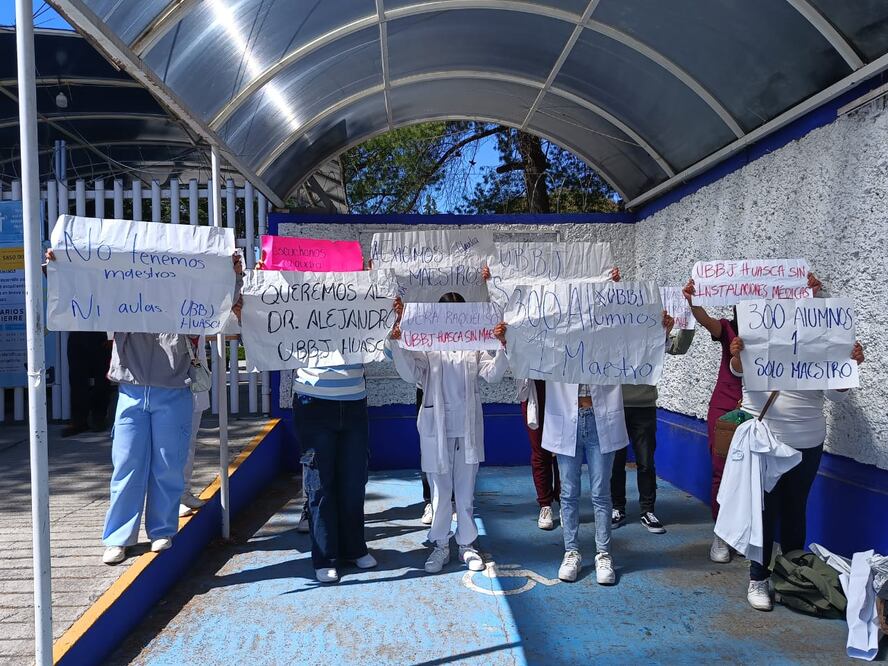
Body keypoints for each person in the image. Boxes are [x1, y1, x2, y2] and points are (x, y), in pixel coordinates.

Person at [45, 249, 242, 565]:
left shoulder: (184, 298)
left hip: (174, 390)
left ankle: (162, 530)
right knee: (126, 466)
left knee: (168, 465)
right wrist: (57, 266)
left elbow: (217, 303)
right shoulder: (121, 295)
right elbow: (80, 296)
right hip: (132, 391)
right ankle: (118, 538)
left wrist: (233, 273)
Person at [683, 272, 823, 563]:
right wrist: (694, 300)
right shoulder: (728, 330)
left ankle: (754, 543)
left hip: (762, 411)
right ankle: (722, 535)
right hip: (727, 407)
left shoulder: (780, 333)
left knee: (765, 491)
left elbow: (807, 329)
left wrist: (811, 295)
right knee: (725, 473)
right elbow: (704, 318)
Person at [728, 334, 864, 611]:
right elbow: (737, 371)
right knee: (764, 511)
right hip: (763, 440)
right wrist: (736, 354)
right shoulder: (758, 330)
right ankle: (759, 578)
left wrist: (849, 365)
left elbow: (835, 395)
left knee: (794, 509)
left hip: (806, 442)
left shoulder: (822, 339)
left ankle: (791, 577)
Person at [388, 291, 509, 574]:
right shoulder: (427, 345)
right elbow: (410, 373)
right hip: (436, 428)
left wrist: (503, 347)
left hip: (466, 429)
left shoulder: (475, 344)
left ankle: (467, 545)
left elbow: (492, 374)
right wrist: (398, 345)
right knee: (441, 493)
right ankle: (441, 545)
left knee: (465, 494)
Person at [610, 302, 694, 534]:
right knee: (615, 462)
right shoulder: (608, 331)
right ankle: (617, 507)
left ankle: (647, 510)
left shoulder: (652, 330)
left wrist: (682, 320)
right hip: (614, 404)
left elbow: (679, 347)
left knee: (646, 461)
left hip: (644, 405)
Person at [517, 379, 560, 530]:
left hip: (564, 390)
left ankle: (566, 504)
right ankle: (545, 504)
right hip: (535, 392)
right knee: (540, 451)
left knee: (564, 450)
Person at [179, 334, 209, 517]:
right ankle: (172, 498)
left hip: (194, 377)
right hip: (169, 382)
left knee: (189, 442)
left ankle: (184, 491)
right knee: (171, 445)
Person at [64, 331, 113, 436]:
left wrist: (111, 336)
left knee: (102, 379)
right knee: (77, 379)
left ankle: (99, 418)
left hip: (101, 334)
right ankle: (79, 420)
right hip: (77, 333)